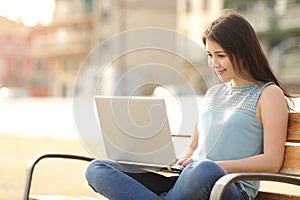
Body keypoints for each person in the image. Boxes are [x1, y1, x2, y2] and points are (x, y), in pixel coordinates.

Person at [85, 9, 293, 200]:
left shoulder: (267, 94)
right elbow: (194, 147)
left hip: (227, 186)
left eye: (220, 55)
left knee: (205, 170)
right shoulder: (213, 94)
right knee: (98, 168)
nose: (214, 64)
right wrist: (178, 161)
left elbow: (272, 161)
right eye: (210, 55)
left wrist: (213, 166)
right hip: (187, 181)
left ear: (243, 51)